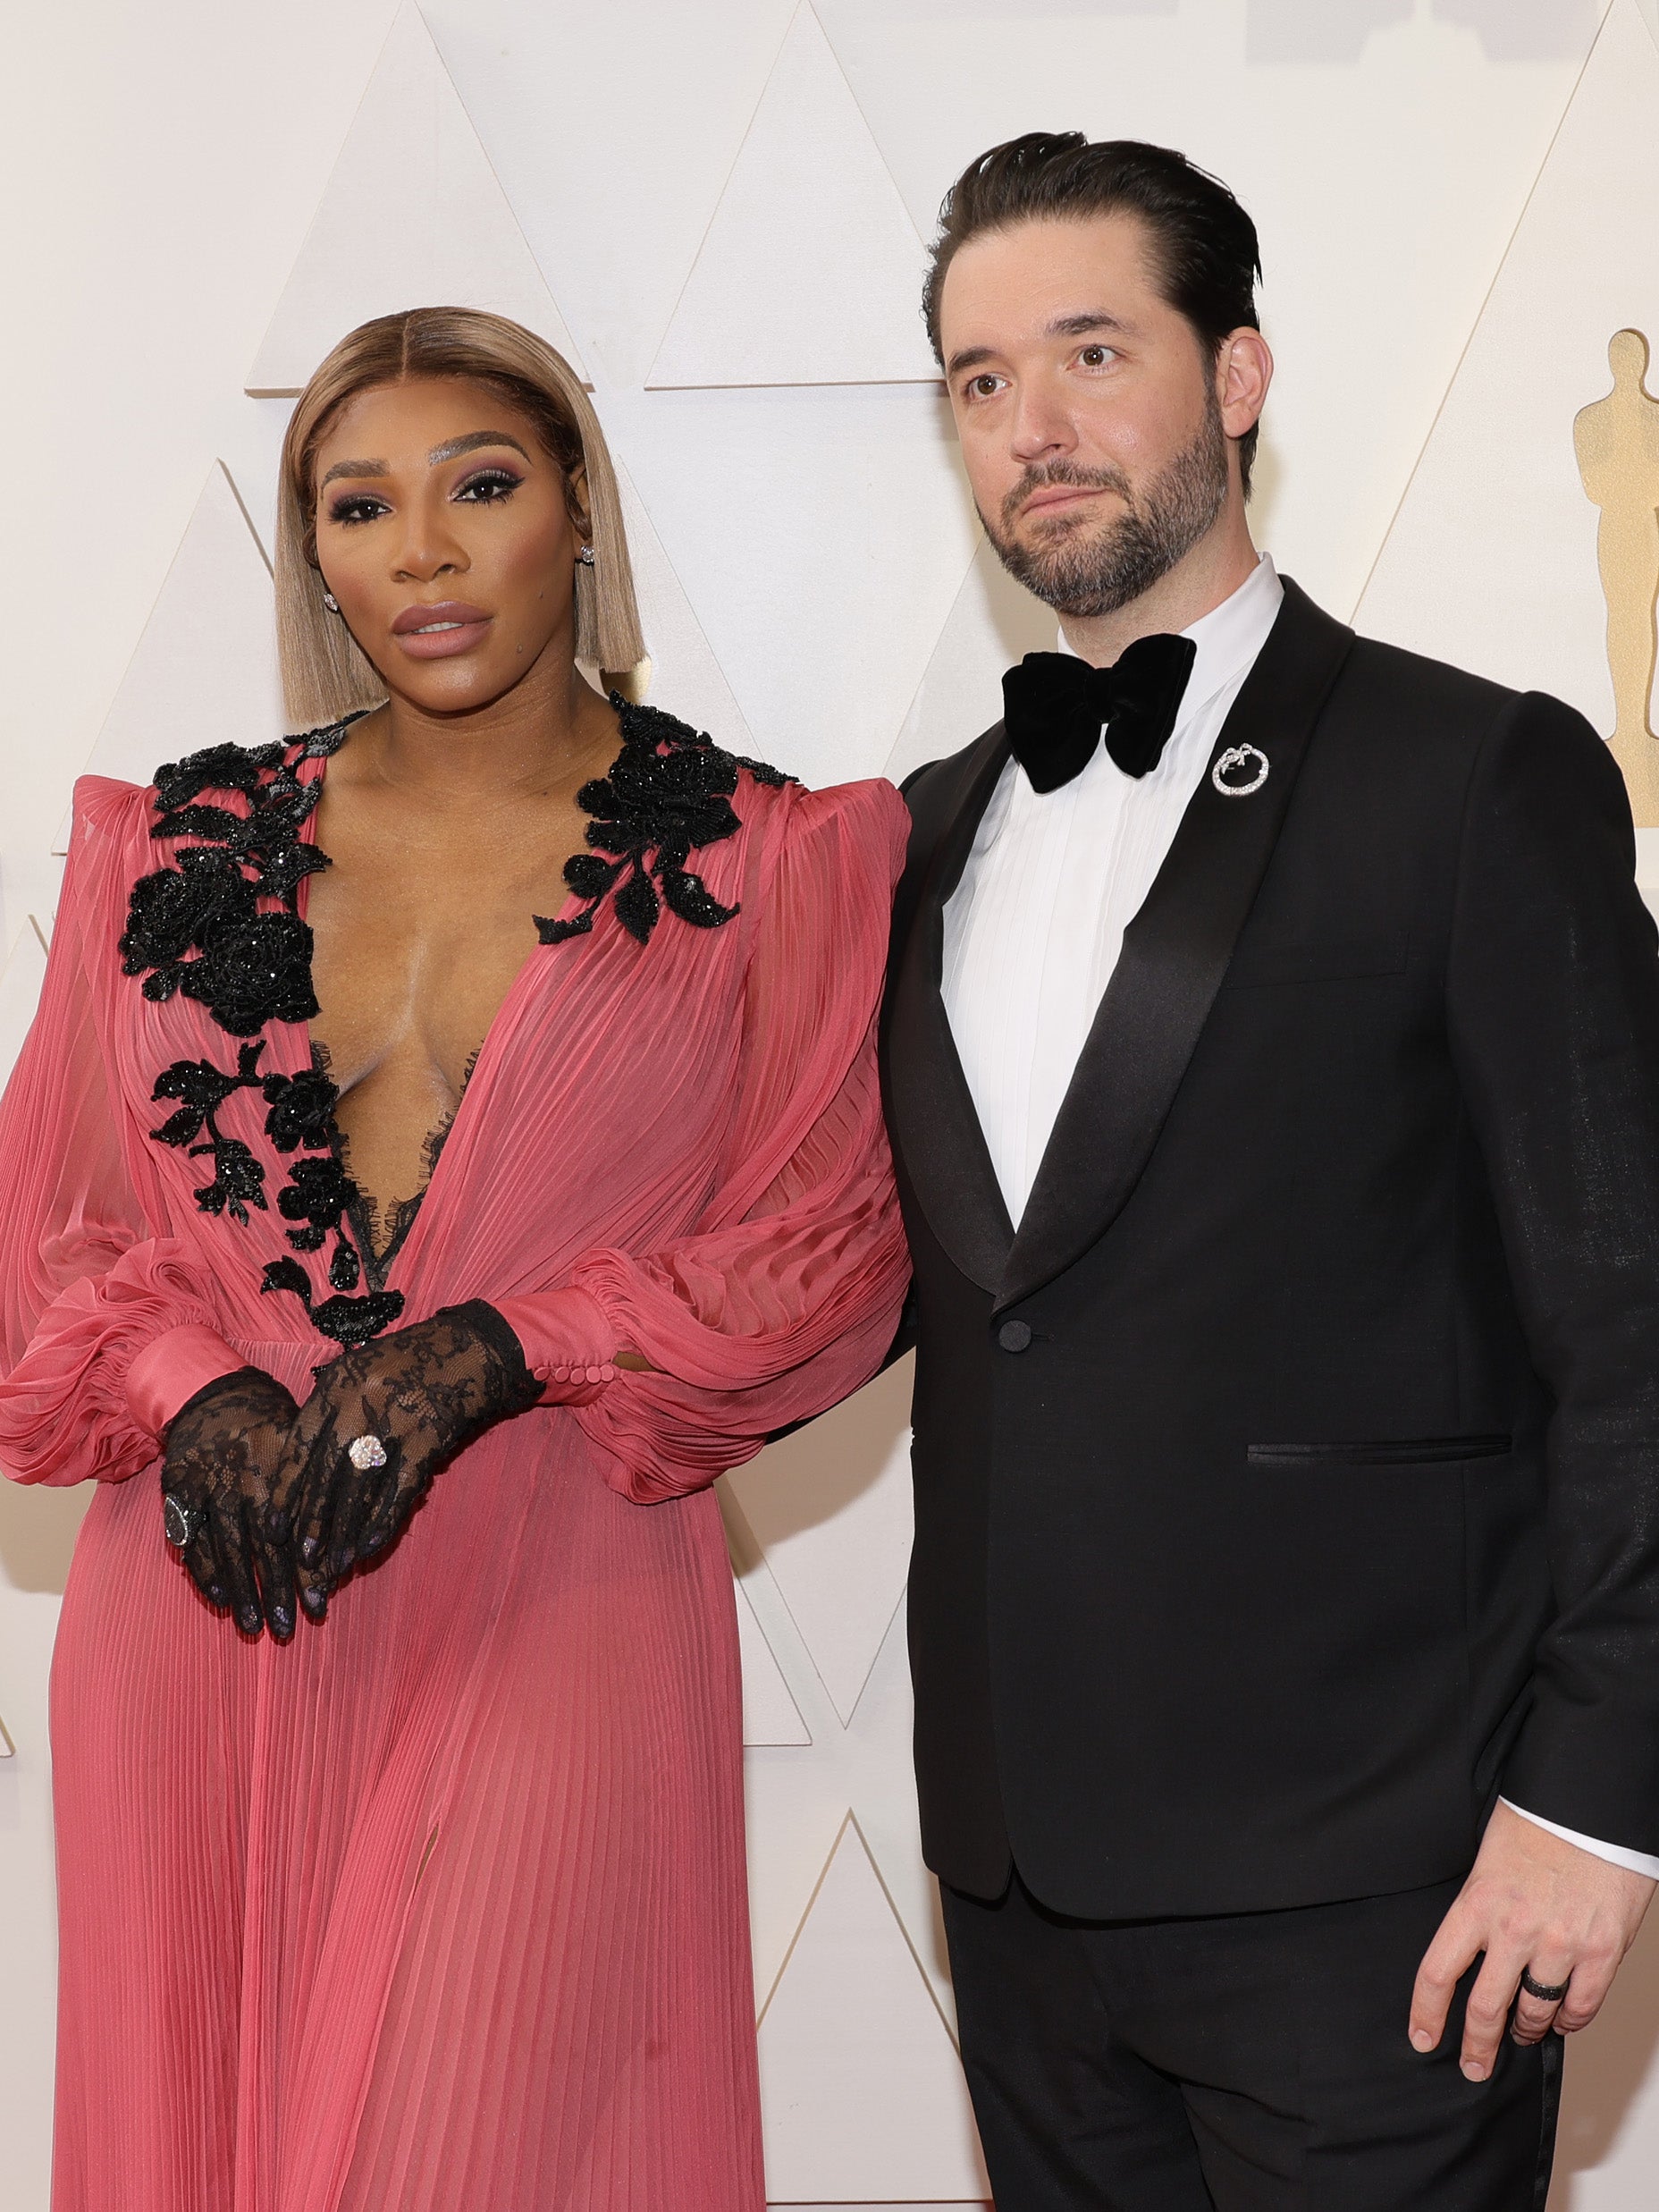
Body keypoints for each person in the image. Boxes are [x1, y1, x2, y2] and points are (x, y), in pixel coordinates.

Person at [0, 305, 910, 2212]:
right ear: (314, 553)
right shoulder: (169, 846)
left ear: (576, 510)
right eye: (357, 504)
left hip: (554, 1581)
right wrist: (188, 1383)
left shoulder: (769, 860)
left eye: (479, 485)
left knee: (488, 2146)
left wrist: (510, 1344)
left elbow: (826, 1252)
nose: (418, 551)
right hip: (205, 1601)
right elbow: (46, 1242)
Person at [880, 133, 1659, 2209]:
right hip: (1022, 1892)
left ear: (1237, 376)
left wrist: (1595, 1811)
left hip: (1386, 1887)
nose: (1031, 429)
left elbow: (1633, 1326)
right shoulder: (923, 832)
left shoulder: (1471, 774)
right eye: (976, 380)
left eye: (1089, 351)